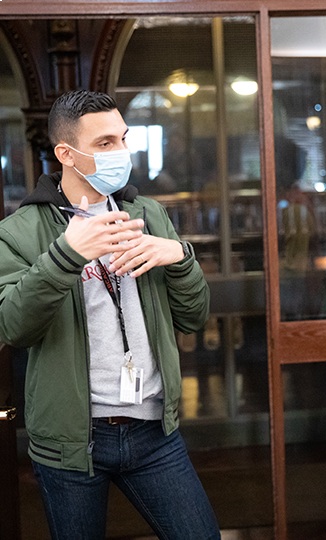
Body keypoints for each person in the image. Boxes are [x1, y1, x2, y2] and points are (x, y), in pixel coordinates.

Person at [0, 90, 220, 539]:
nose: (121, 152)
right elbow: (12, 327)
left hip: (154, 430)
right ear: (66, 153)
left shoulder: (149, 214)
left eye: (122, 139)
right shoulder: (18, 232)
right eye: (105, 144)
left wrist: (179, 257)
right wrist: (65, 257)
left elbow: (195, 317)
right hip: (71, 442)